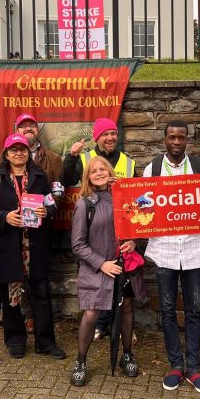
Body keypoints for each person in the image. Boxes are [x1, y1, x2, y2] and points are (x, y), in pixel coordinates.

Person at [142, 121, 200, 395]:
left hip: (194, 249)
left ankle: (193, 368)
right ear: (164, 140)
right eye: (172, 137)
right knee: (168, 311)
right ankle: (175, 366)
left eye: (181, 137)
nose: (177, 141)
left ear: (187, 140)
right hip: (164, 250)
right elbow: (141, 205)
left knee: (193, 311)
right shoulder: (153, 169)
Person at [0, 113, 64, 335]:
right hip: (8, 245)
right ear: (7, 154)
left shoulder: (39, 177)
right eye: (14, 150)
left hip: (35, 244)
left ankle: (46, 341)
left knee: (41, 293)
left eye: (22, 149)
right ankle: (15, 341)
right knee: (10, 296)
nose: (19, 153)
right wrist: (4, 217)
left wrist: (46, 210)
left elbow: (52, 204)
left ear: (27, 153)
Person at [70, 156, 148, 386]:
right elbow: (77, 244)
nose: (99, 173)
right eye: (94, 171)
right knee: (92, 312)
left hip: (124, 265)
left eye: (103, 169)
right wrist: (101, 263)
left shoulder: (123, 198)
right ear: (88, 177)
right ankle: (81, 361)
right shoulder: (85, 203)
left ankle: (126, 355)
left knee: (127, 310)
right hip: (97, 267)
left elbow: (139, 223)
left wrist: (133, 242)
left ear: (110, 171)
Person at [64, 118, 135, 340]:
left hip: (120, 230)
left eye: (113, 133)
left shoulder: (128, 163)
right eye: (105, 134)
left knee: (121, 287)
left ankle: (120, 329)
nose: (110, 138)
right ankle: (100, 326)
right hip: (94, 228)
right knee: (99, 283)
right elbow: (66, 179)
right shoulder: (85, 158)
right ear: (97, 137)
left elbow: (135, 199)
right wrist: (71, 157)